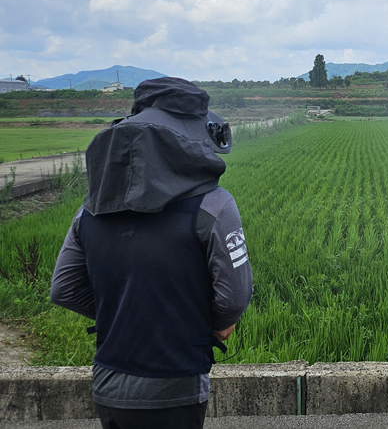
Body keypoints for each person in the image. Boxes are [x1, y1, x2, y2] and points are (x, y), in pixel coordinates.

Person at [51, 77, 253, 429]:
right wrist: (211, 324)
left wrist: (128, 312)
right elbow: (234, 298)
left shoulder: (90, 211)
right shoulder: (214, 205)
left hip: (109, 380)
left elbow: (64, 288)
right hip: (177, 382)